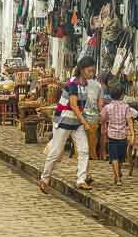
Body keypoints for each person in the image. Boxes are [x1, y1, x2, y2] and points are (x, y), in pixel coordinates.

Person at [39, 56, 96, 193]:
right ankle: (44, 178)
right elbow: (74, 105)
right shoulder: (73, 84)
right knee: (56, 152)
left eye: (93, 71)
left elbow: (81, 106)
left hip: (76, 123)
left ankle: (81, 180)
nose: (91, 74)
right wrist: (85, 123)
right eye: (89, 71)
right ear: (82, 70)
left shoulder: (85, 85)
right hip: (64, 121)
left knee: (83, 150)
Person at [100, 83, 135, 186]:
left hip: (112, 135)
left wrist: (104, 126)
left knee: (113, 157)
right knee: (120, 157)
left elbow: (102, 118)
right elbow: (129, 121)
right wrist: (132, 133)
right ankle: (118, 175)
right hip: (122, 136)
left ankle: (117, 176)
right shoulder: (126, 107)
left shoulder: (107, 107)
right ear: (122, 95)